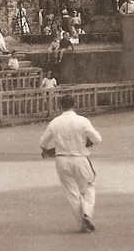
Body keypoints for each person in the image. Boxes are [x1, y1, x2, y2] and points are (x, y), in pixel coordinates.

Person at [39, 94, 102, 233]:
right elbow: (97, 139)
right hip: (80, 158)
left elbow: (43, 142)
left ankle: (82, 223)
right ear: (75, 104)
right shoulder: (82, 121)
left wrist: (45, 150)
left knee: (71, 192)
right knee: (89, 187)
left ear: (60, 106)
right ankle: (87, 213)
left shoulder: (55, 122)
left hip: (61, 160)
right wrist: (88, 142)